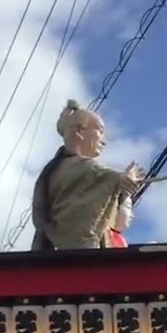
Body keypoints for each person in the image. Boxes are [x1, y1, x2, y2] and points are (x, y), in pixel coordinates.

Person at [30, 100, 146, 251]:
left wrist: (121, 182)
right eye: (100, 131)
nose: (104, 140)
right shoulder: (82, 169)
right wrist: (122, 179)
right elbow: (105, 177)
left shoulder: (53, 170)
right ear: (79, 131)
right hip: (78, 253)